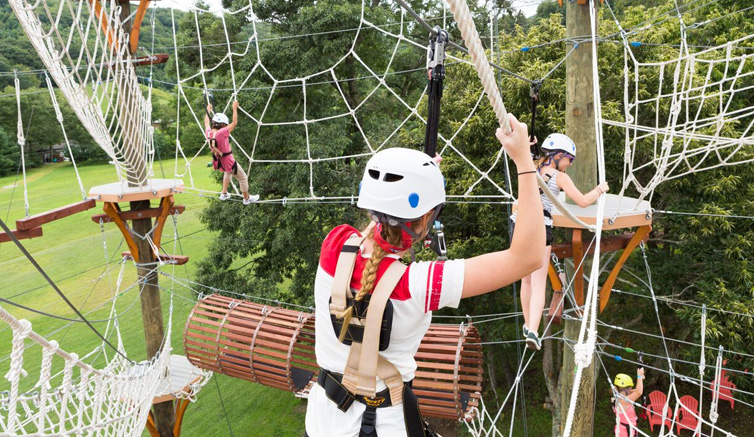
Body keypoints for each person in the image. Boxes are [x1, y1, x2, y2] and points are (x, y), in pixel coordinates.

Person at [304, 113, 546, 437]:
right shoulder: (418, 285)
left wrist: (416, 191)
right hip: (380, 426)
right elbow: (527, 256)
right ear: (426, 219)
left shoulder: (335, 244)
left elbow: (368, 242)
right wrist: (525, 163)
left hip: (323, 420)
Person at [520, 133, 608, 350]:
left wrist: (527, 145)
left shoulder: (532, 166)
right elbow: (583, 201)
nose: (570, 164)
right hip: (539, 225)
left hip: (519, 222)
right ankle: (532, 330)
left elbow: (520, 156)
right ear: (559, 156)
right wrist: (601, 189)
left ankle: (526, 323)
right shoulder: (560, 177)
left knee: (526, 280)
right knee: (539, 281)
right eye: (569, 159)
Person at [205, 100, 259, 205]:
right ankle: (246, 198)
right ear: (222, 125)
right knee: (242, 177)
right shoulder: (222, 132)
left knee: (227, 172)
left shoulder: (209, 133)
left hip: (219, 159)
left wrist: (208, 110)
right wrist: (234, 108)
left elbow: (206, 123)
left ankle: (224, 192)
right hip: (227, 160)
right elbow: (234, 123)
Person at [613, 369, 645, 437]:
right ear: (626, 389)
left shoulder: (619, 396)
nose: (631, 389)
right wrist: (639, 376)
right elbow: (638, 392)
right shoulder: (623, 401)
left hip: (628, 431)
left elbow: (637, 390)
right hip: (625, 433)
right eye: (630, 388)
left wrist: (641, 379)